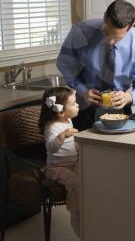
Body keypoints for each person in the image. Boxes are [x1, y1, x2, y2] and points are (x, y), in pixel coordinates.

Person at [57, 0, 135, 131]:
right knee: (82, 149)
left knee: (116, 150)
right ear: (104, 17)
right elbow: (64, 63)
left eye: (117, 38)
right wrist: (82, 89)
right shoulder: (81, 31)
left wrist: (129, 96)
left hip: (120, 110)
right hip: (83, 107)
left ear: (131, 27)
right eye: (107, 33)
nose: (110, 41)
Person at [38, 86, 80, 238]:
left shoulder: (67, 121)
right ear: (61, 111)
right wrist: (63, 135)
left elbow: (70, 145)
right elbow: (52, 147)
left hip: (73, 163)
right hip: (56, 167)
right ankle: (75, 209)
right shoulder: (52, 127)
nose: (77, 105)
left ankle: (87, 206)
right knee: (75, 183)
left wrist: (77, 146)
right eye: (74, 103)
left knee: (90, 172)